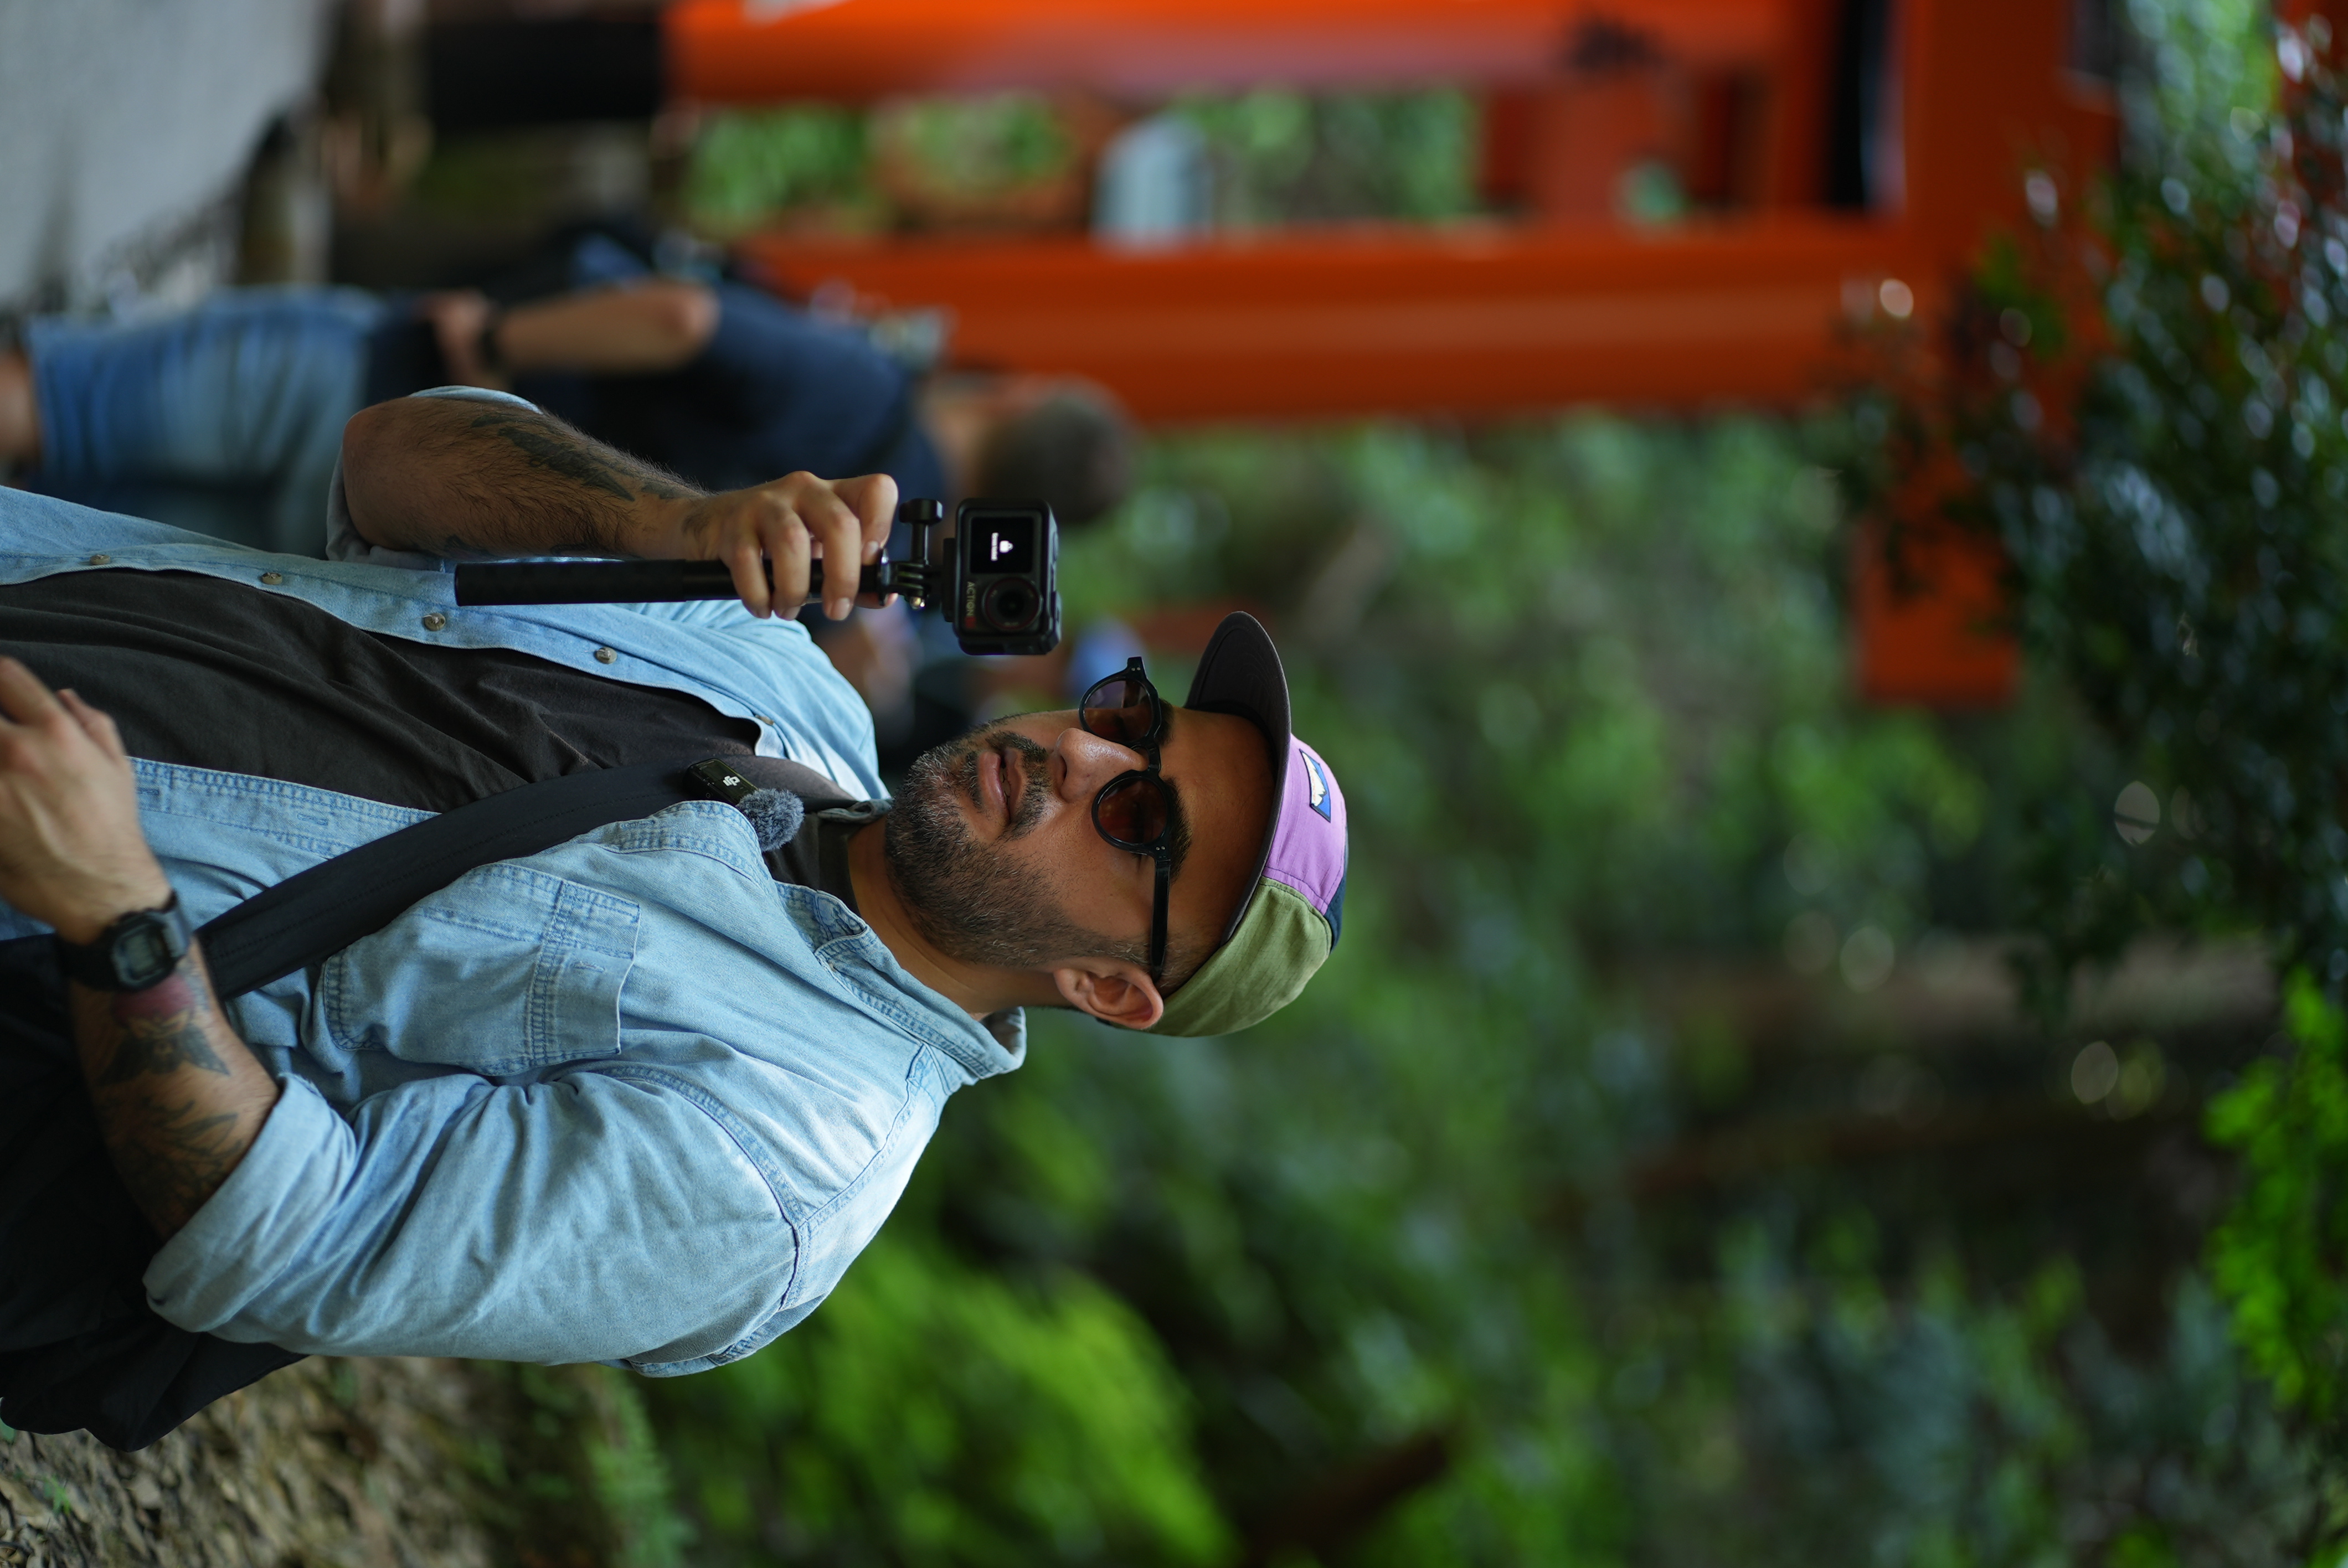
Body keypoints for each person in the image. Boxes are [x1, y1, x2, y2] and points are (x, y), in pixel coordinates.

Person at [0, 387, 1347, 1450]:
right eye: (1130, 720)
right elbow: (385, 464)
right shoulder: (793, 691)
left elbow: (283, 1245)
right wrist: (673, 522)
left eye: (1143, 823)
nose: (1089, 758)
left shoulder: (781, 1170)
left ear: (1110, 990)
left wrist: (119, 915)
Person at [0, 243, 1134, 558]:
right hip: (385, 538)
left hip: (391, 383)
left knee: (55, 407)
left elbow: (682, 318)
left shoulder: (867, 396)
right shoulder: (849, 582)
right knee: (63, 533)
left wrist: (497, 335)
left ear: (1019, 393)